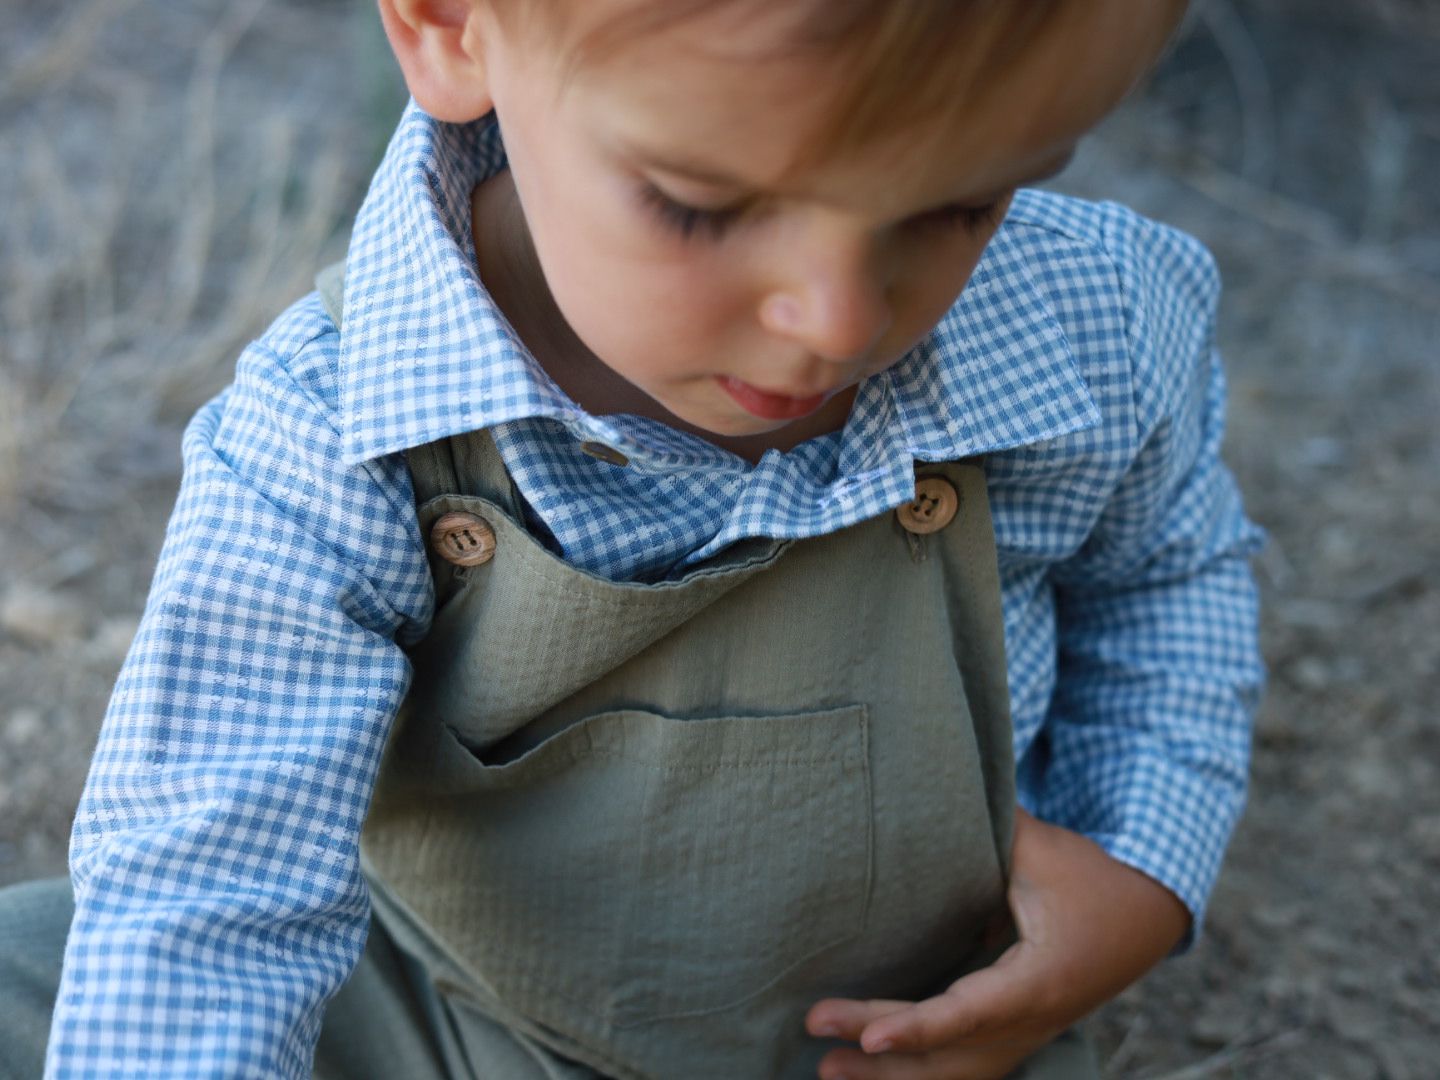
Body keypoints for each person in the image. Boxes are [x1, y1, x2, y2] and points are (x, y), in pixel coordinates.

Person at [0, 0, 1265, 1076]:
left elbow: (1167, 575)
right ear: (449, 26)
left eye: (957, 205)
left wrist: (1143, 869)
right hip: (448, 1004)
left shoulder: (1090, 321)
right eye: (703, 205)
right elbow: (215, 892)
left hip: (910, 1034)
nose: (831, 317)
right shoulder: (334, 436)